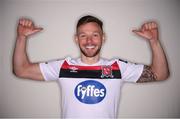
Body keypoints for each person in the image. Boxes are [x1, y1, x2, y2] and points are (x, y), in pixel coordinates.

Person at [13, 15, 169, 118]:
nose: (89, 41)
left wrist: (154, 41)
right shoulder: (63, 66)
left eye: (95, 35)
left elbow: (160, 74)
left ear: (103, 38)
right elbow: (21, 70)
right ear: (76, 39)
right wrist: (21, 37)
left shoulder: (117, 68)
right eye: (83, 35)